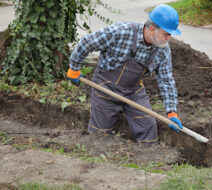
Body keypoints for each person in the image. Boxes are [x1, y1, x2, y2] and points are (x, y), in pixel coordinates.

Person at [66, 4, 183, 143]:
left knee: (149, 129)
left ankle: (148, 160)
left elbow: (166, 80)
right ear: (152, 28)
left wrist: (171, 111)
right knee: (99, 136)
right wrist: (74, 67)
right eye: (166, 34)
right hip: (105, 87)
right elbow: (87, 42)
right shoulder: (121, 32)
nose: (169, 38)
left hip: (133, 91)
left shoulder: (163, 50)